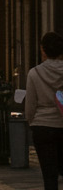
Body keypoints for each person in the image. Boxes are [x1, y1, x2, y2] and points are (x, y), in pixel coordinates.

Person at [23, 31, 63, 190]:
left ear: (43, 50)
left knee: (49, 175)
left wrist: (32, 122)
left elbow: (30, 104)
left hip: (42, 127)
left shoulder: (34, 73)